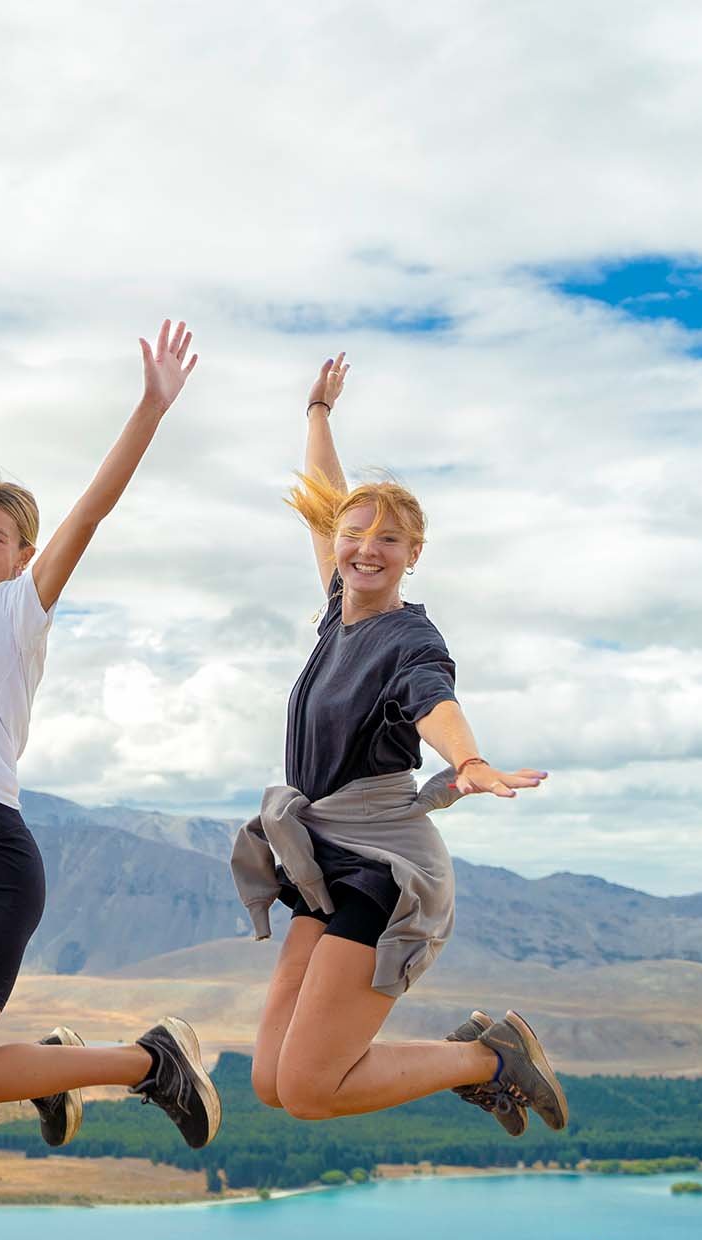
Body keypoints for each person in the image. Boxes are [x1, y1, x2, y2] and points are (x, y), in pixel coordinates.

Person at [0, 321, 221, 1153]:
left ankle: (148, 1060)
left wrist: (151, 408)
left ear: (22, 555)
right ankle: (50, 1066)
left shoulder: (20, 613)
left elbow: (90, 512)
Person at [229, 355, 567, 1134]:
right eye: (355, 535)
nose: (366, 548)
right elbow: (323, 501)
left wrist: (469, 760)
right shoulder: (336, 609)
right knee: (275, 1081)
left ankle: (492, 1058)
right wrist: (317, 408)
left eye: (390, 538)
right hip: (321, 861)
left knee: (313, 1088)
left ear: (415, 553)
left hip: (384, 869)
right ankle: (485, 1053)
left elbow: (433, 701)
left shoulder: (411, 638)